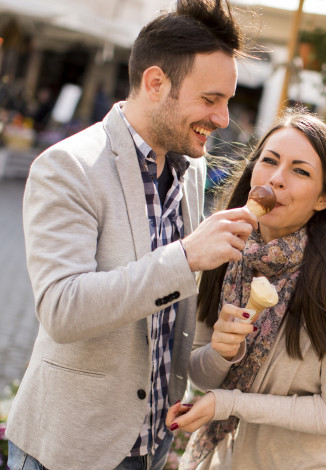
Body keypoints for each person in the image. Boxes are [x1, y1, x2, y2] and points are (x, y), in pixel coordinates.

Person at [6, 1, 256, 469]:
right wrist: (185, 258)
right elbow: (62, 309)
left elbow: (170, 324)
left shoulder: (193, 169)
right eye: (210, 99)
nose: (224, 118)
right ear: (156, 83)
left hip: (151, 447)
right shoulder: (68, 167)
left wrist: (218, 345)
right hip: (68, 452)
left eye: (227, 100)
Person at [165, 110, 326, 470]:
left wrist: (230, 404)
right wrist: (220, 352)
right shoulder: (222, 250)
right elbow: (202, 374)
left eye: (300, 171)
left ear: (324, 198)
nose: (277, 179)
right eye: (269, 161)